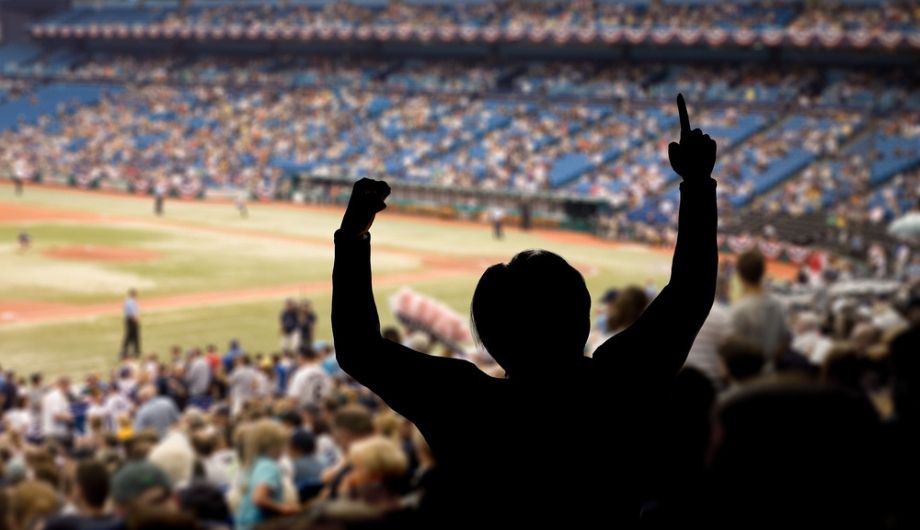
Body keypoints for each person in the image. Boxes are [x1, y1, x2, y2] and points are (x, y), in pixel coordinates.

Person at [331, 94, 718, 527]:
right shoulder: (620, 381)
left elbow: (357, 348)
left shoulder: (464, 404)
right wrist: (697, 183)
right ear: (581, 316)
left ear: (490, 333)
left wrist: (353, 236)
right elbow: (691, 292)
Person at [730, 249, 791, 366]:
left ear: (740, 274)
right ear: (763, 271)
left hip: (746, 371)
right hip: (770, 369)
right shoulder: (779, 304)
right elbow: (785, 340)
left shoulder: (739, 309)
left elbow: (733, 348)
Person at [121, 289, 141, 359]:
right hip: (131, 320)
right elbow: (132, 312)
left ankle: (135, 350)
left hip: (130, 320)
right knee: (130, 336)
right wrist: (135, 319)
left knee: (134, 336)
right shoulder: (130, 302)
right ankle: (127, 351)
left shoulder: (129, 301)